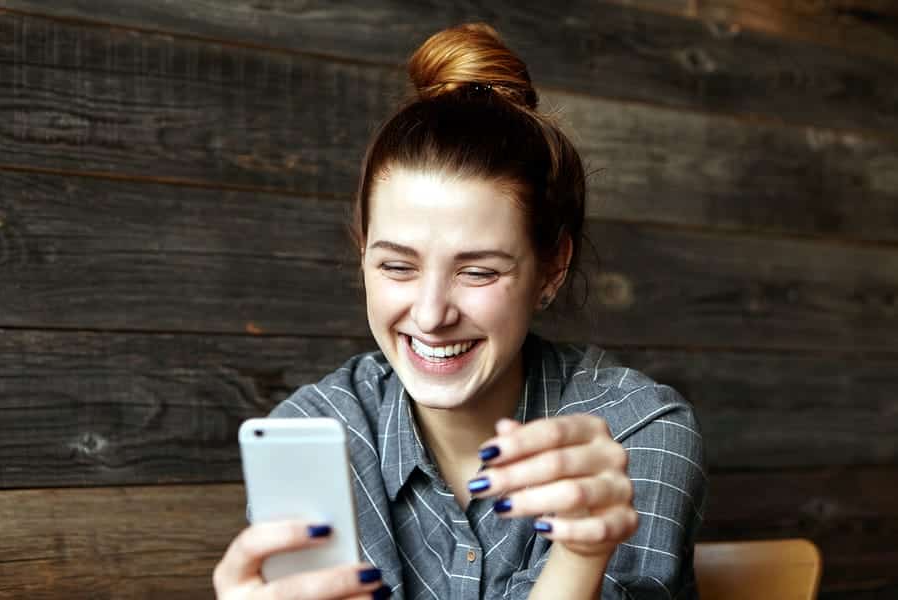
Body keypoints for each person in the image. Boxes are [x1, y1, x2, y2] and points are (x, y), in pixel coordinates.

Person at [213, 23, 706, 600]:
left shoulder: (638, 431)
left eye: (478, 272)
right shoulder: (314, 436)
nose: (429, 315)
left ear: (551, 269)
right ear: (362, 254)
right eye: (398, 267)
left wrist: (581, 554)